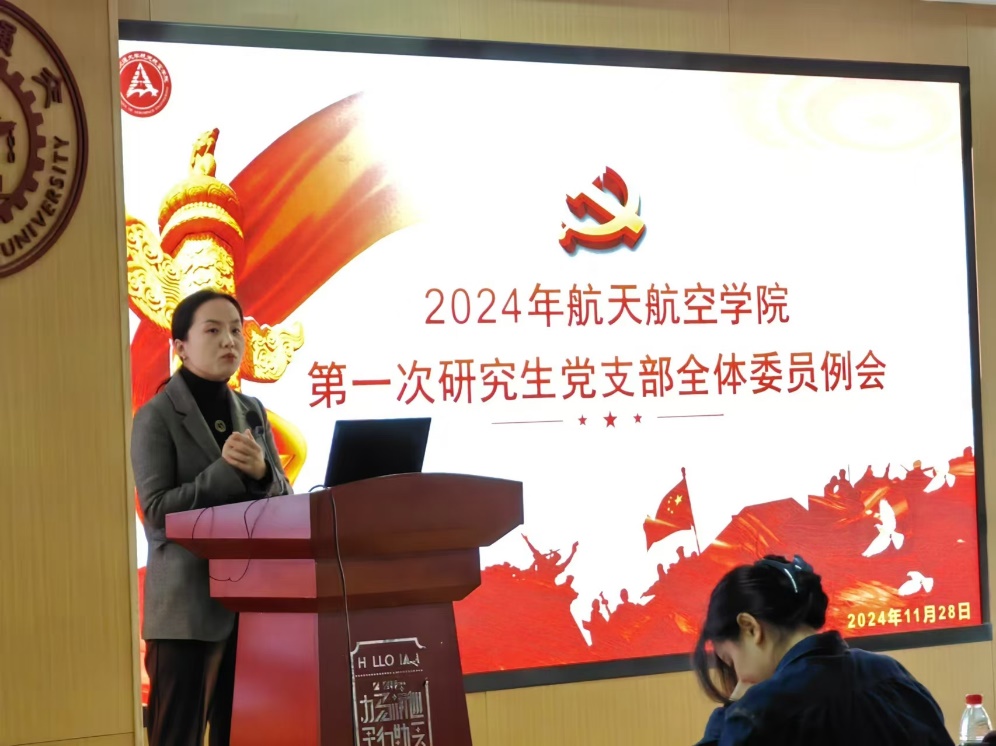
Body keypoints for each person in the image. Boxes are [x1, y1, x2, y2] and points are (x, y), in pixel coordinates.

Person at [132, 290, 292, 746]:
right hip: (186, 613)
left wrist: (262, 474)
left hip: (250, 607)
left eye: (237, 330)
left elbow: (285, 500)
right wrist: (222, 475)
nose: (230, 340)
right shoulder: (156, 416)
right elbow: (157, 514)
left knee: (243, 735)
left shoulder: (251, 410)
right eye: (213, 330)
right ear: (180, 346)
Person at [692, 554, 954, 746]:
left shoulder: (761, 713)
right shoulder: (892, 674)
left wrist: (732, 708)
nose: (739, 676)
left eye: (731, 659)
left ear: (750, 628)